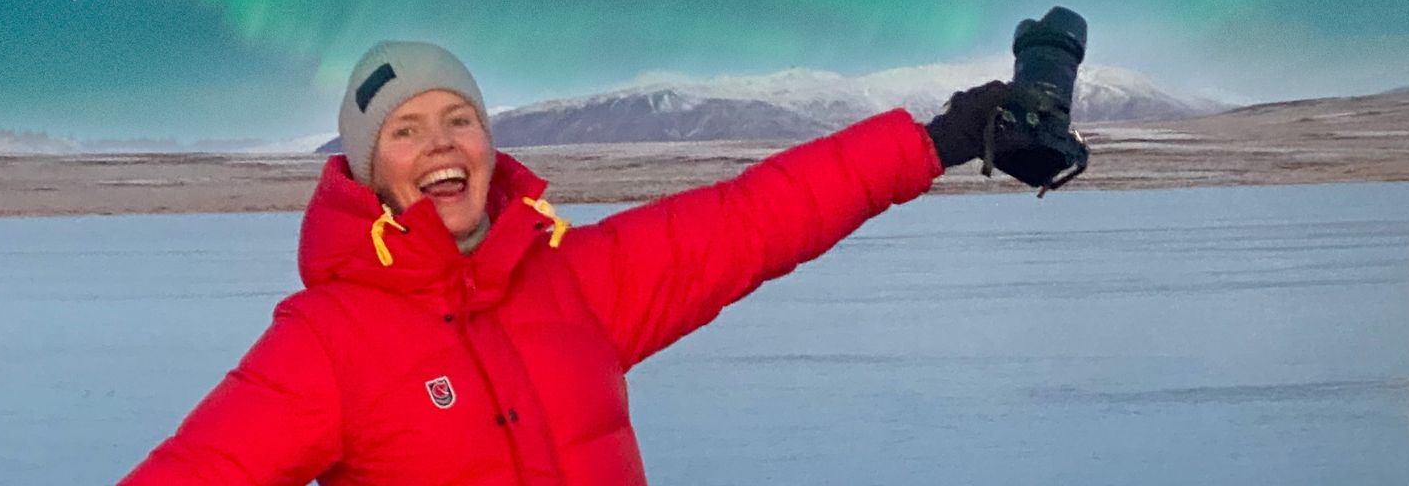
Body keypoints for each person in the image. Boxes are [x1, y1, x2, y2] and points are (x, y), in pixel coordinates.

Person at [118, 40, 1029, 486]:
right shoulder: (329, 341)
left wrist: (935, 141)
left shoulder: (574, 284)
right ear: (368, 167)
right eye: (405, 130)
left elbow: (752, 219)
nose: (440, 144)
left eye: (458, 120)